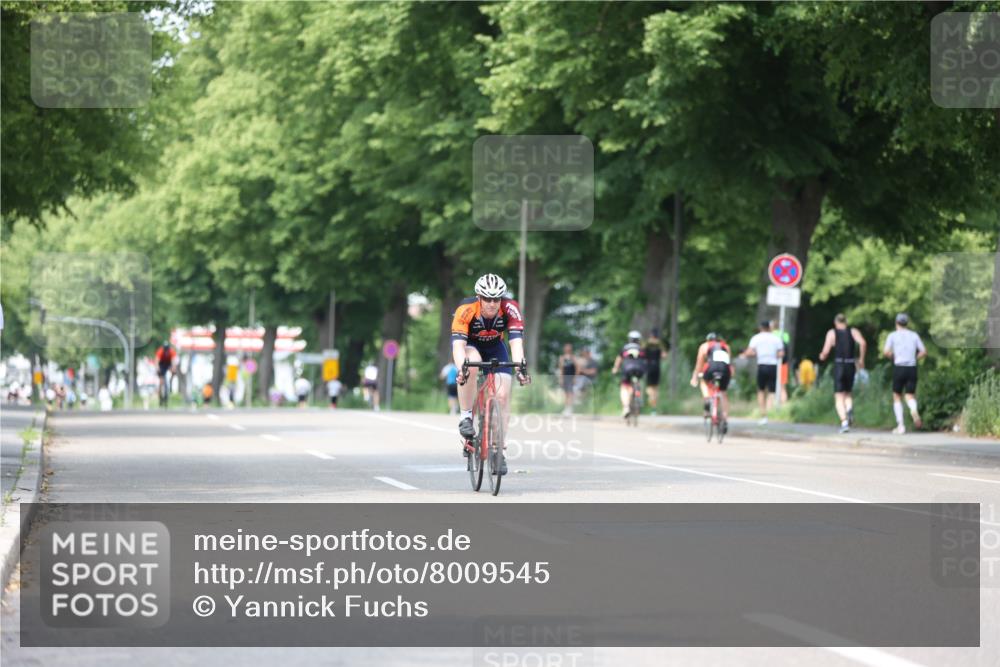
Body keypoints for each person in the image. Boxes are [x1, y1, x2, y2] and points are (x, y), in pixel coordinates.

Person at [451, 273, 531, 475]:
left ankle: (498, 450)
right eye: (487, 298)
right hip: (471, 346)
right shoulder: (466, 309)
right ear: (479, 297)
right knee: (472, 364)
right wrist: (462, 368)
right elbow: (458, 346)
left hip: (496, 348)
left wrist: (521, 368)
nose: (492, 303)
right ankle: (466, 417)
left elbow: (516, 343)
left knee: (503, 396)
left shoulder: (510, 308)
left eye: (496, 299)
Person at [819, 313, 868, 433]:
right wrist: (861, 359)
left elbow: (825, 351)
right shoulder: (853, 331)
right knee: (848, 393)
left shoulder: (832, 333)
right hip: (851, 364)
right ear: (845, 322)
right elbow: (863, 343)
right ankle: (849, 409)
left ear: (836, 322)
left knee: (839, 396)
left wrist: (822, 356)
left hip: (839, 364)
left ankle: (844, 422)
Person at [883, 313, 927, 434]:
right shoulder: (914, 335)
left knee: (897, 396)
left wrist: (893, 357)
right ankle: (913, 410)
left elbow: (886, 352)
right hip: (912, 367)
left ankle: (901, 425)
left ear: (896, 323)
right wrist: (915, 358)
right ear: (907, 323)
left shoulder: (892, 335)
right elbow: (923, 351)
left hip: (899, 367)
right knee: (910, 395)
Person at [740, 321, 785, 424]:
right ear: (769, 328)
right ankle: (769, 411)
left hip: (762, 365)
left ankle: (763, 414)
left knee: (761, 390)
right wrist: (773, 355)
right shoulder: (776, 338)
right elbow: (781, 353)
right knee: (772, 391)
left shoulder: (756, 338)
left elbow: (750, 352)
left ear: (760, 327)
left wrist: (754, 354)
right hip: (773, 365)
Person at [690, 332, 733, 427]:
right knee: (723, 392)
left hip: (711, 369)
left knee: (704, 382)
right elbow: (729, 363)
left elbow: (699, 363)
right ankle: (725, 417)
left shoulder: (704, 346)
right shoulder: (725, 346)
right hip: (725, 370)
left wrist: (695, 377)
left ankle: (707, 398)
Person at [611, 331, 646, 420]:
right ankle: (638, 397)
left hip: (627, 369)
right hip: (639, 370)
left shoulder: (625, 348)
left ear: (629, 339)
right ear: (638, 340)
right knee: (637, 382)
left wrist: (615, 369)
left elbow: (619, 360)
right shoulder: (641, 348)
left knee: (624, 387)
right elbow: (645, 360)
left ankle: (626, 407)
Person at [644, 329, 666, 415]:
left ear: (650, 335)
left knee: (649, 388)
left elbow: (642, 353)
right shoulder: (659, 344)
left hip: (648, 367)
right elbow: (664, 356)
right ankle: (654, 408)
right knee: (656, 388)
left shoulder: (647, 344)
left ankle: (651, 399)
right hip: (657, 367)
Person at [557, 343, 578, 416]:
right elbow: (561, 369)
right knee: (566, 393)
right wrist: (561, 378)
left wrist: (575, 377)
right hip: (565, 377)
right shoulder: (562, 358)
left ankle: (570, 408)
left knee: (570, 393)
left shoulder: (573, 358)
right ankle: (566, 408)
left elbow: (577, 368)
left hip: (571, 377)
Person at [154, 340, 177, 404]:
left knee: (174, 371)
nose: (166, 351)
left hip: (168, 363)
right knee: (161, 380)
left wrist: (173, 369)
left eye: (167, 349)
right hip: (161, 364)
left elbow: (173, 361)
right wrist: (157, 369)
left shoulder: (171, 351)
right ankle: (160, 395)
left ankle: (171, 381)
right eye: (165, 349)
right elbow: (156, 361)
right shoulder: (160, 351)